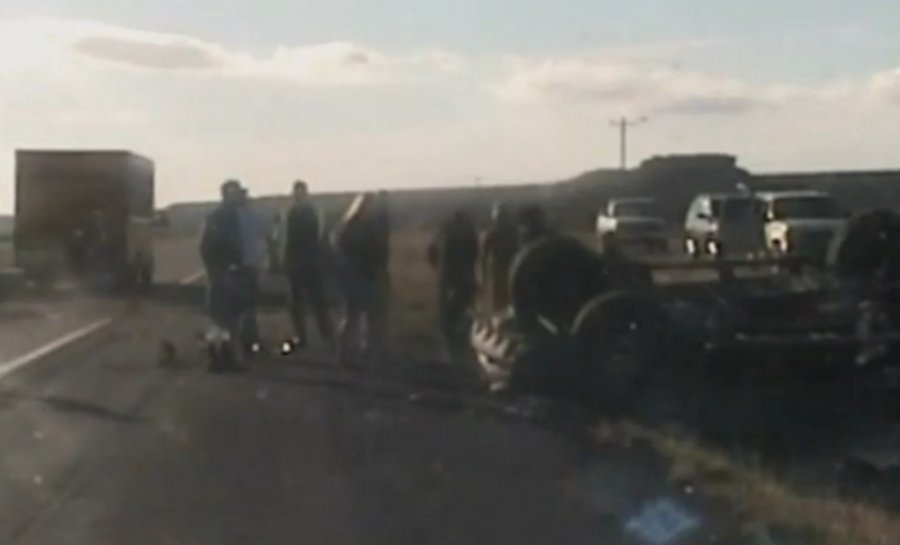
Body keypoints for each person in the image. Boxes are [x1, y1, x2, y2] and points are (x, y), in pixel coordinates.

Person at [332, 192, 384, 368]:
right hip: (355, 275)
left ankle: (362, 351)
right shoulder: (353, 227)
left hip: (365, 274)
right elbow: (346, 251)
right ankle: (346, 353)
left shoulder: (368, 226)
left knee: (366, 316)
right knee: (354, 315)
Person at [282, 180, 335, 350]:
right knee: (308, 301)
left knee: (311, 301)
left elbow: (284, 237)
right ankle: (319, 335)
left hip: (305, 260)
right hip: (303, 260)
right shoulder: (307, 212)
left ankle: (320, 335)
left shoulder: (295, 212)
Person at [199, 180, 245, 369]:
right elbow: (207, 246)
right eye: (233, 193)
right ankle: (221, 358)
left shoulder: (227, 216)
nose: (237, 197)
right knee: (223, 319)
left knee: (224, 319)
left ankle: (222, 357)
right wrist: (219, 269)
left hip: (226, 270)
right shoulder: (221, 217)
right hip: (222, 272)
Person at [428, 210, 479, 362]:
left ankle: (452, 350)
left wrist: (438, 268)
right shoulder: (467, 234)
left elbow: (431, 252)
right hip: (458, 278)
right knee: (459, 313)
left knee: (450, 315)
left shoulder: (444, 234)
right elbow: (475, 254)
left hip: (450, 277)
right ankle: (458, 348)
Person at [481, 203, 519, 312]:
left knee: (510, 295)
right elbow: (484, 255)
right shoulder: (492, 233)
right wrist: (483, 275)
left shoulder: (513, 232)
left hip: (510, 267)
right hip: (499, 269)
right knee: (499, 298)